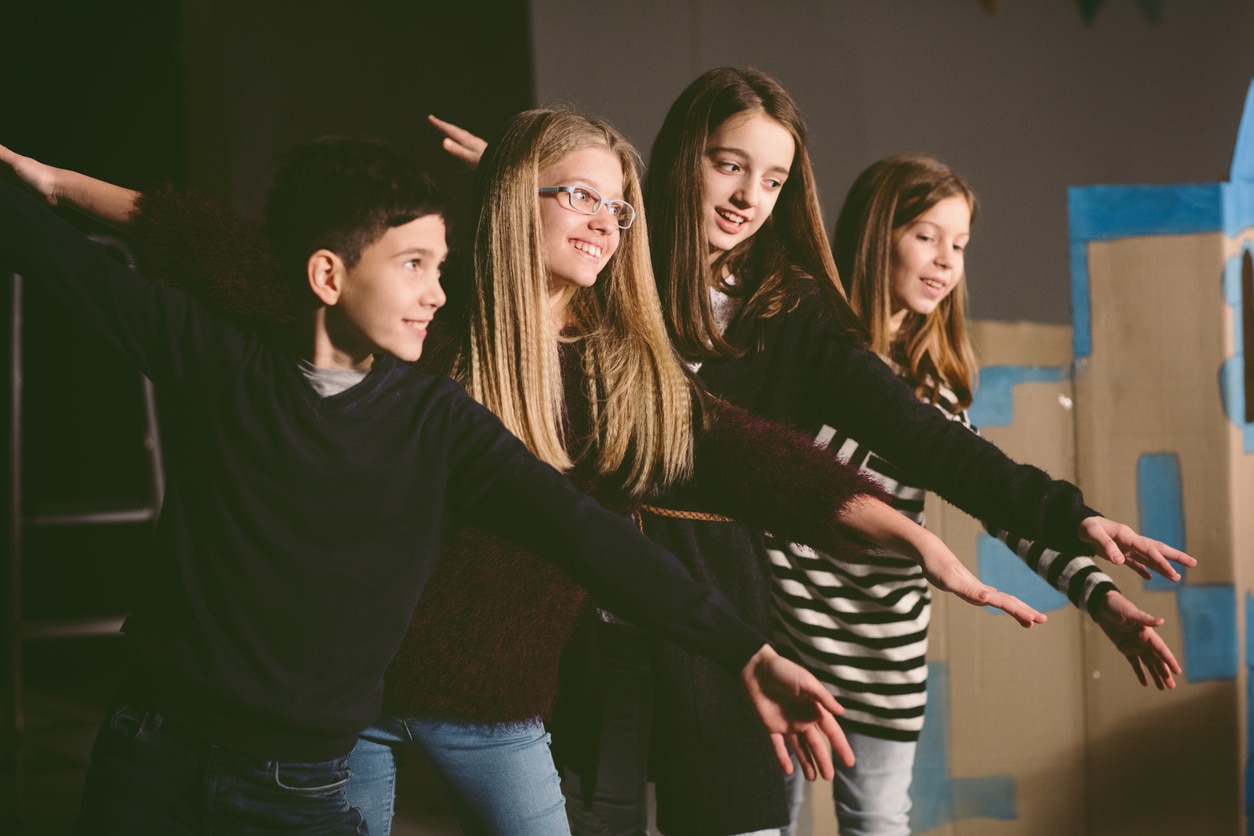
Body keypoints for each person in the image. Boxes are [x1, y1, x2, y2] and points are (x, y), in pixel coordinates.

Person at [0, 119, 1045, 836]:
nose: (430, 288)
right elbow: (135, 255)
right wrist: (48, 187)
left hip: (365, 745)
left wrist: (753, 643)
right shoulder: (250, 354)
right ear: (330, 275)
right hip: (181, 734)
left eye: (438, 267)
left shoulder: (460, 413)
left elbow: (604, 529)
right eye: (412, 265)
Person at [431, 92, 1193, 836]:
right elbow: (530, 254)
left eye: (773, 180)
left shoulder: (791, 310)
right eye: (730, 164)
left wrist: (1072, 520)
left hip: (723, 605)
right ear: (680, 162)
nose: (748, 197)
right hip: (585, 615)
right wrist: (520, 185)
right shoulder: (614, 275)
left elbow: (929, 441)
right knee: (597, 809)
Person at [761, 152, 1183, 836]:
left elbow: (1000, 503)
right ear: (876, 236)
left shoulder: (937, 387)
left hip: (882, 650)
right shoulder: (809, 359)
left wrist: (1099, 596)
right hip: (783, 634)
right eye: (927, 235)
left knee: (876, 820)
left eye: (958, 244)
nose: (945, 260)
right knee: (762, 819)